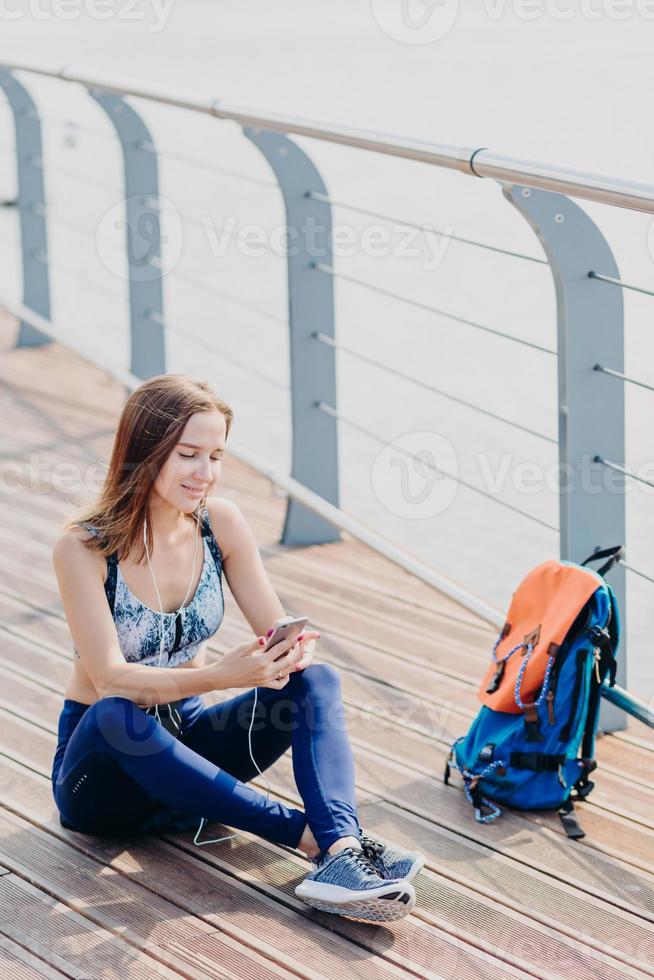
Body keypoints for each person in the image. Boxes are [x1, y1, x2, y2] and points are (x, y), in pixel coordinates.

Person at [51, 373, 424, 922]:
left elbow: (276, 626)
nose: (206, 474)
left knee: (316, 681)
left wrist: (289, 652)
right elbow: (110, 678)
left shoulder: (219, 524)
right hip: (106, 779)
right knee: (115, 715)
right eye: (188, 454)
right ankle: (309, 839)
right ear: (145, 452)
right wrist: (223, 675)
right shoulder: (84, 547)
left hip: (191, 753)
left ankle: (343, 850)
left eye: (217, 456)